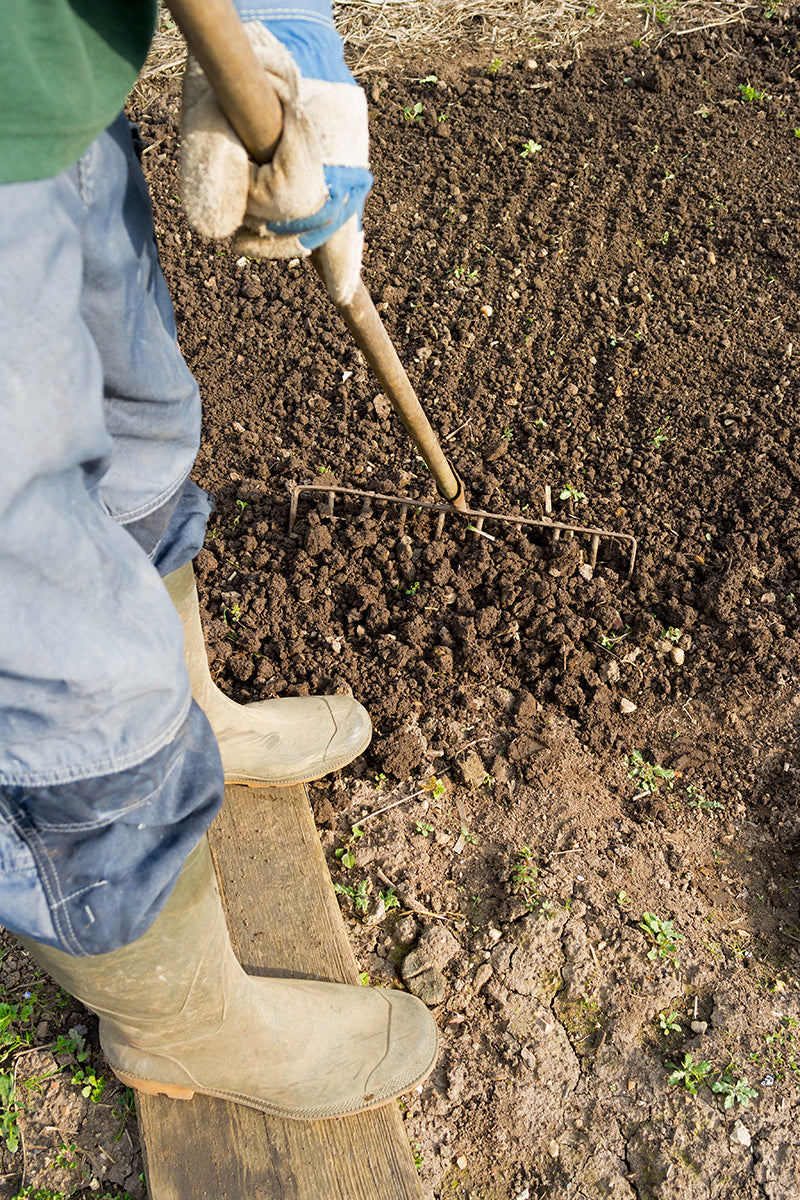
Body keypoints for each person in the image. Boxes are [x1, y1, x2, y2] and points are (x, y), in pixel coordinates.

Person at [0, 0, 437, 1119]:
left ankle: (193, 713)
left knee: (142, 428)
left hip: (46, 92)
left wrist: (280, 37)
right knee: (53, 646)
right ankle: (178, 1022)